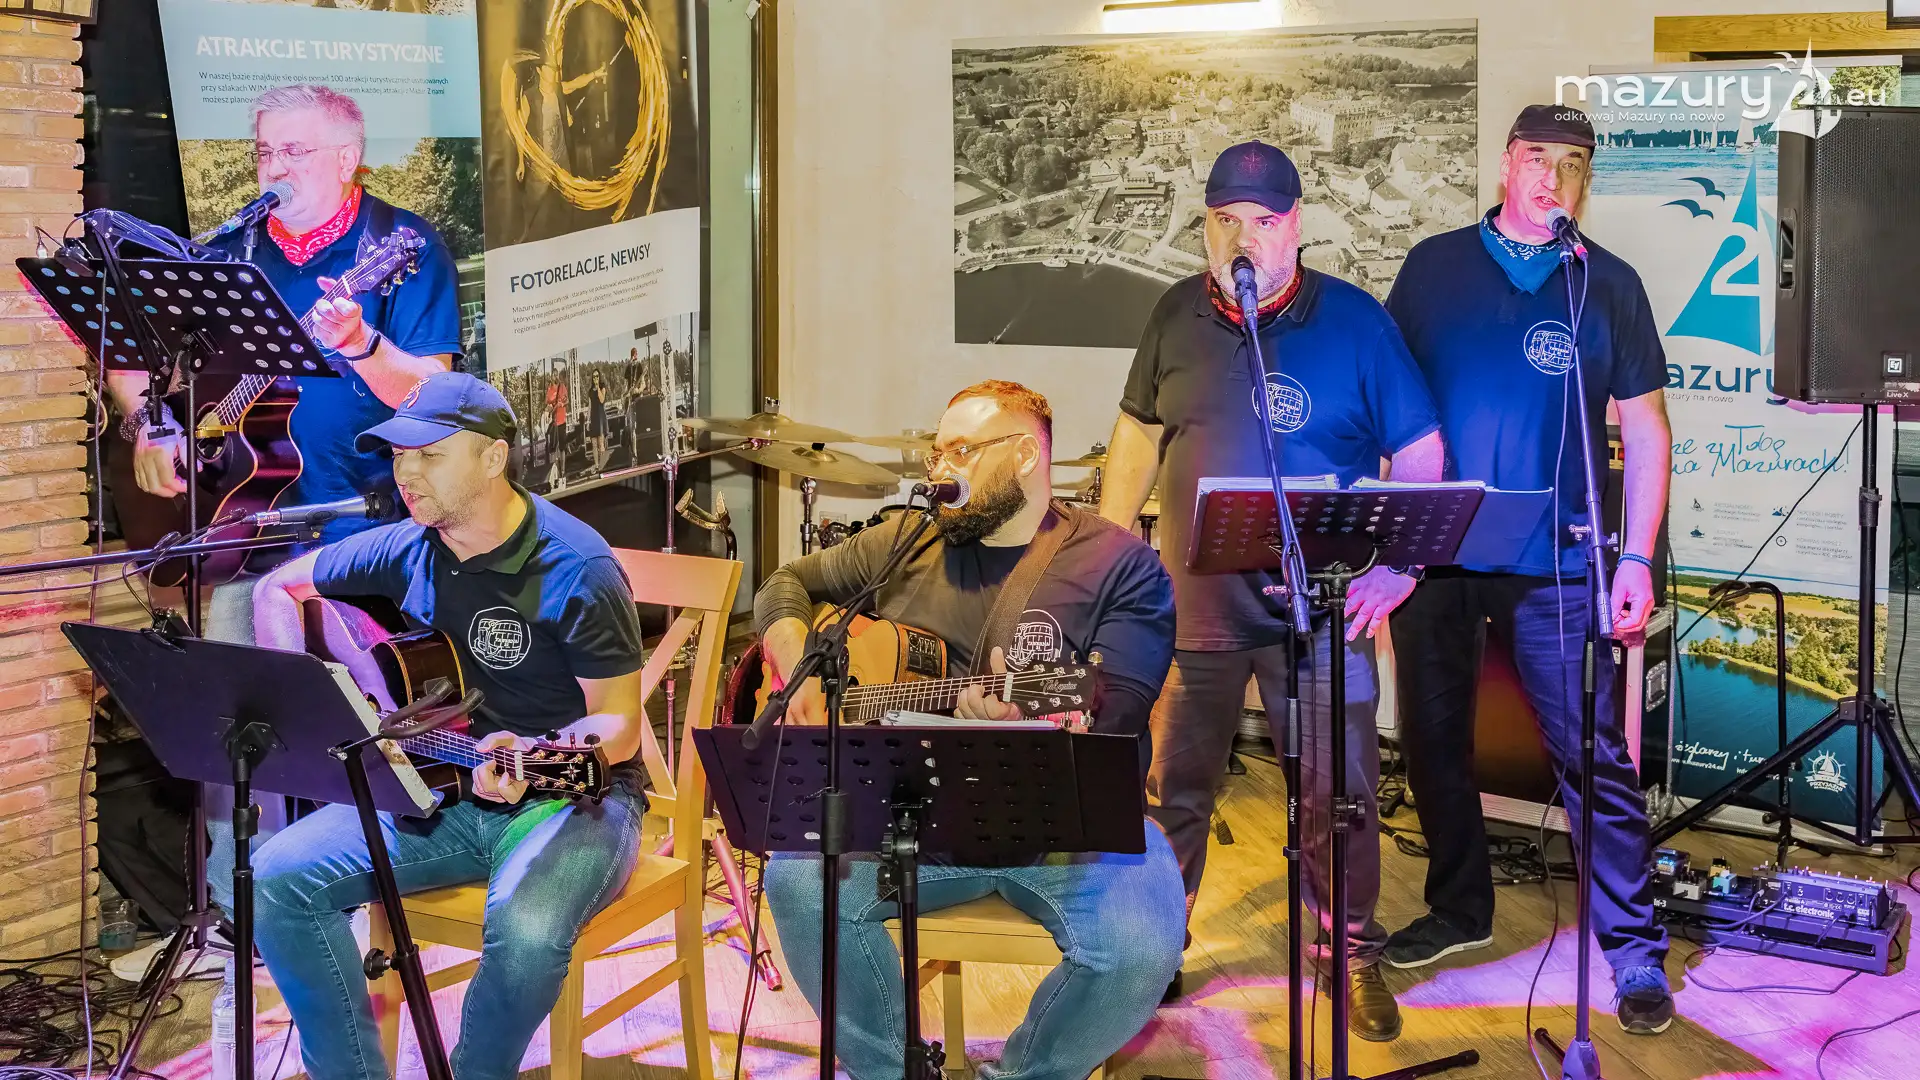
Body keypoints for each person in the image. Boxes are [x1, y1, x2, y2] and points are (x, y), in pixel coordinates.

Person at [1098, 140, 1445, 1042]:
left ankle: (1349, 953)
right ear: (1205, 228)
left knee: (1341, 797)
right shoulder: (1174, 314)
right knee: (1174, 791)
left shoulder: (1357, 322)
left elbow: (1420, 450)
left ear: (1295, 225)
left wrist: (1399, 566)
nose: (1241, 238)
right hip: (1192, 609)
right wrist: (1108, 551)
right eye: (1224, 221)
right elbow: (1137, 435)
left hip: (1320, 612)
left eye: (1261, 220)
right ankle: (1156, 946)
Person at [101, 82, 461, 920]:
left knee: (359, 726)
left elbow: (434, 392)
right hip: (241, 525)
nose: (275, 167)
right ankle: (245, 919)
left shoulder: (400, 247)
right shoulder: (232, 249)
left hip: (365, 525)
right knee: (235, 731)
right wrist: (150, 424)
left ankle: (358, 907)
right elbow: (123, 344)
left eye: (295, 151)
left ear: (348, 158)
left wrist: (363, 345)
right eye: (265, 150)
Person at [759, 380, 1186, 1080]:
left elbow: (1118, 713)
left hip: (1066, 834)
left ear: (1025, 455)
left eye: (961, 451)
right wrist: (795, 665)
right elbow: (785, 582)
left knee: (1141, 945)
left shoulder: (1120, 567)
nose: (940, 469)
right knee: (800, 882)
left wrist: (1025, 730)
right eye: (936, 453)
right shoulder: (905, 543)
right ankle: (890, 1071)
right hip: (911, 824)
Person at [249, 372, 649, 1080]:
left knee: (528, 930)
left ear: (493, 458)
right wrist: (318, 698)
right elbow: (276, 587)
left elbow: (620, 724)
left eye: (429, 455)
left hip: (575, 796)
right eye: (399, 456)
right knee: (278, 878)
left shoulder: (577, 566)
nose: (405, 473)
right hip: (443, 783)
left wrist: (533, 754)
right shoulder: (409, 546)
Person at [1382, 105, 1675, 1034]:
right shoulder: (1432, 268)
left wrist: (1636, 555)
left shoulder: (1607, 283)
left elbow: (1647, 428)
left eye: (1574, 163)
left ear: (1587, 179)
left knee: (1592, 752)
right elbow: (1389, 409)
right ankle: (1460, 908)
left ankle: (1632, 951)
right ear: (1508, 163)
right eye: (1539, 157)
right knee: (1433, 739)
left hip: (1558, 559)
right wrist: (1385, 542)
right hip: (1436, 553)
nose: (1555, 177)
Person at [588, 372, 610, 472]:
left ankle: (602, 465)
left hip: (600, 416)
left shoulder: (602, 387)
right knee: (594, 443)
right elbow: (589, 406)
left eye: (597, 376)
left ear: (599, 377)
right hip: (593, 417)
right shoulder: (590, 391)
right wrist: (588, 420)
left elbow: (602, 400)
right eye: (594, 377)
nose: (595, 378)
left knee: (601, 443)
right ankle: (597, 465)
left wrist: (597, 388)